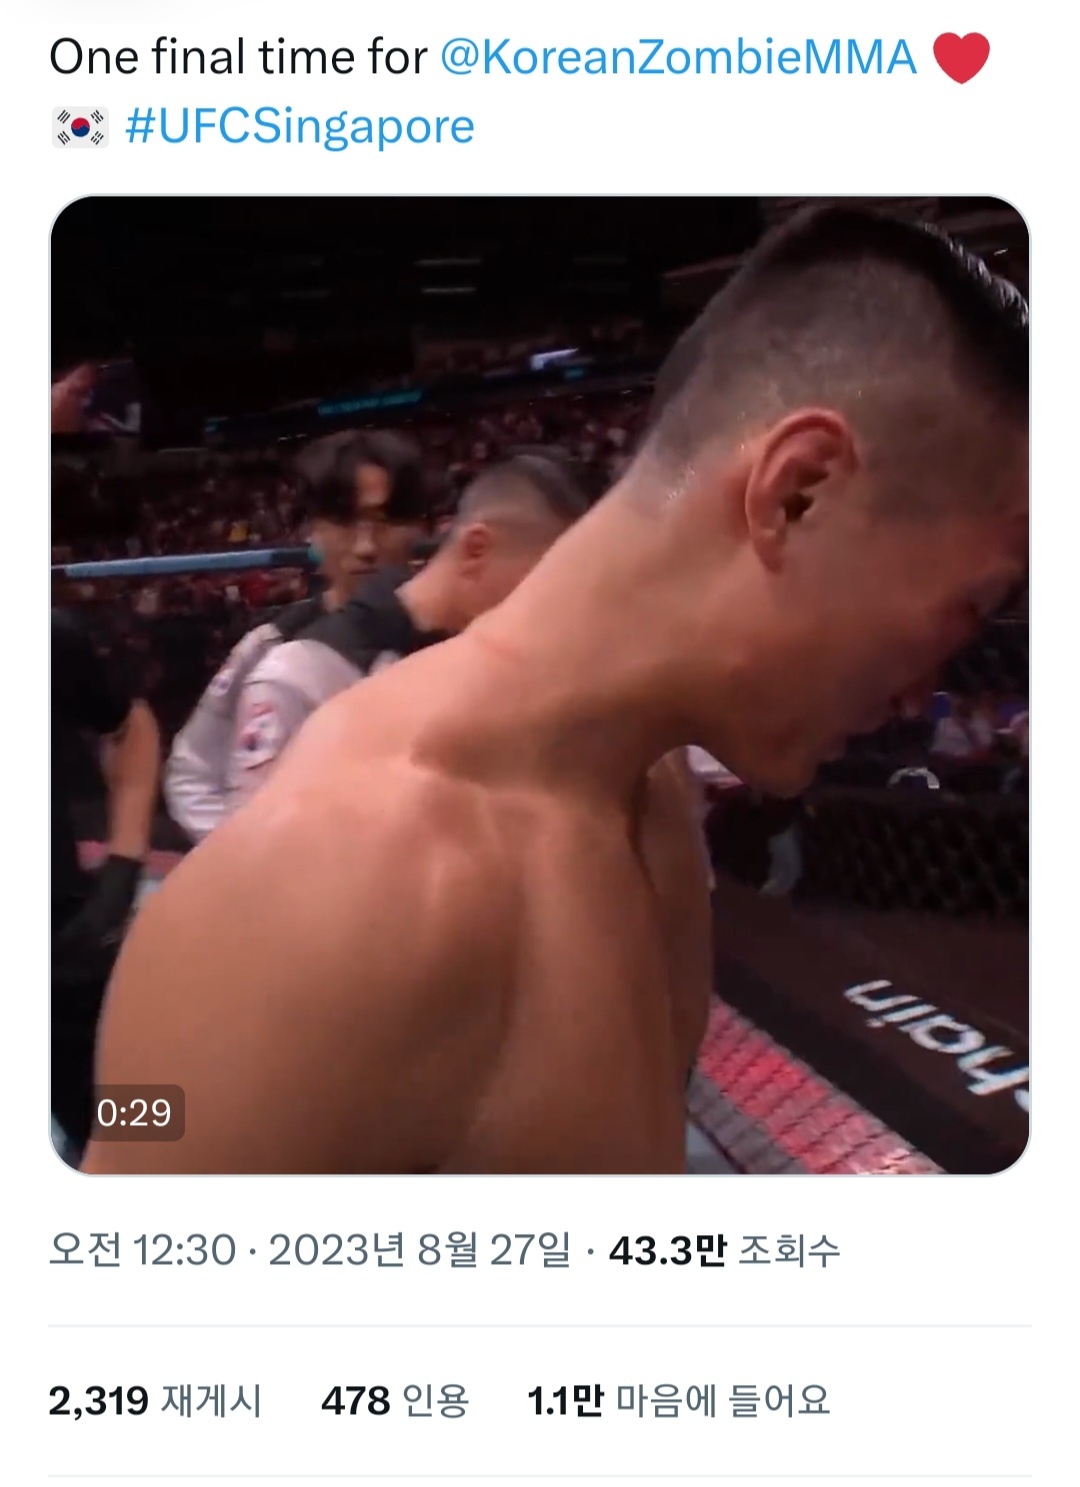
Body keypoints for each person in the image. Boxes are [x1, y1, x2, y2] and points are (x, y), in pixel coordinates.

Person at [85, 206, 1028, 1176]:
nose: (925, 692)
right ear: (798, 492)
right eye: (970, 607)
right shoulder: (333, 890)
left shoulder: (648, 783)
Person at [220, 455, 589, 814]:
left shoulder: (492, 666)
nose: (554, 605)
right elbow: (249, 842)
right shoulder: (300, 673)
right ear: (476, 549)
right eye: (547, 579)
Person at [164, 430, 429, 843]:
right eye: (343, 521)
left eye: (386, 522)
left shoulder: (465, 639)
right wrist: (236, 853)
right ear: (313, 530)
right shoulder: (271, 645)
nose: (365, 546)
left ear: (420, 528)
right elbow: (192, 771)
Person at [52, 609, 160, 1160]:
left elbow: (130, 724)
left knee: (135, 1129)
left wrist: (123, 864)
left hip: (62, 949)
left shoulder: (44, 639)